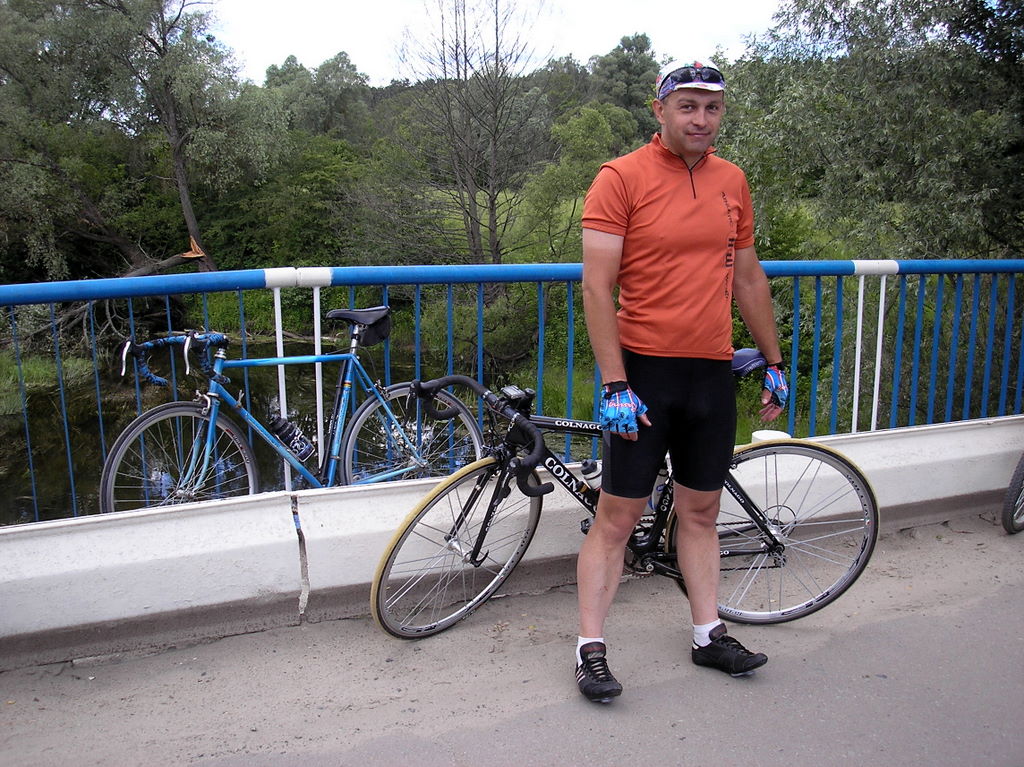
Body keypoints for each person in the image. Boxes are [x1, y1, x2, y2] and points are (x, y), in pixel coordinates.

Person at [575, 57, 790, 703]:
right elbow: (596, 286)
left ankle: (708, 634)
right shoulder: (620, 178)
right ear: (660, 109)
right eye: (688, 106)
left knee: (701, 511)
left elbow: (747, 276)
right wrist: (615, 383)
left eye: (712, 107)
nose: (701, 118)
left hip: (710, 373)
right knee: (618, 517)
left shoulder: (732, 180)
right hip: (643, 373)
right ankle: (590, 650)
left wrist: (775, 361)